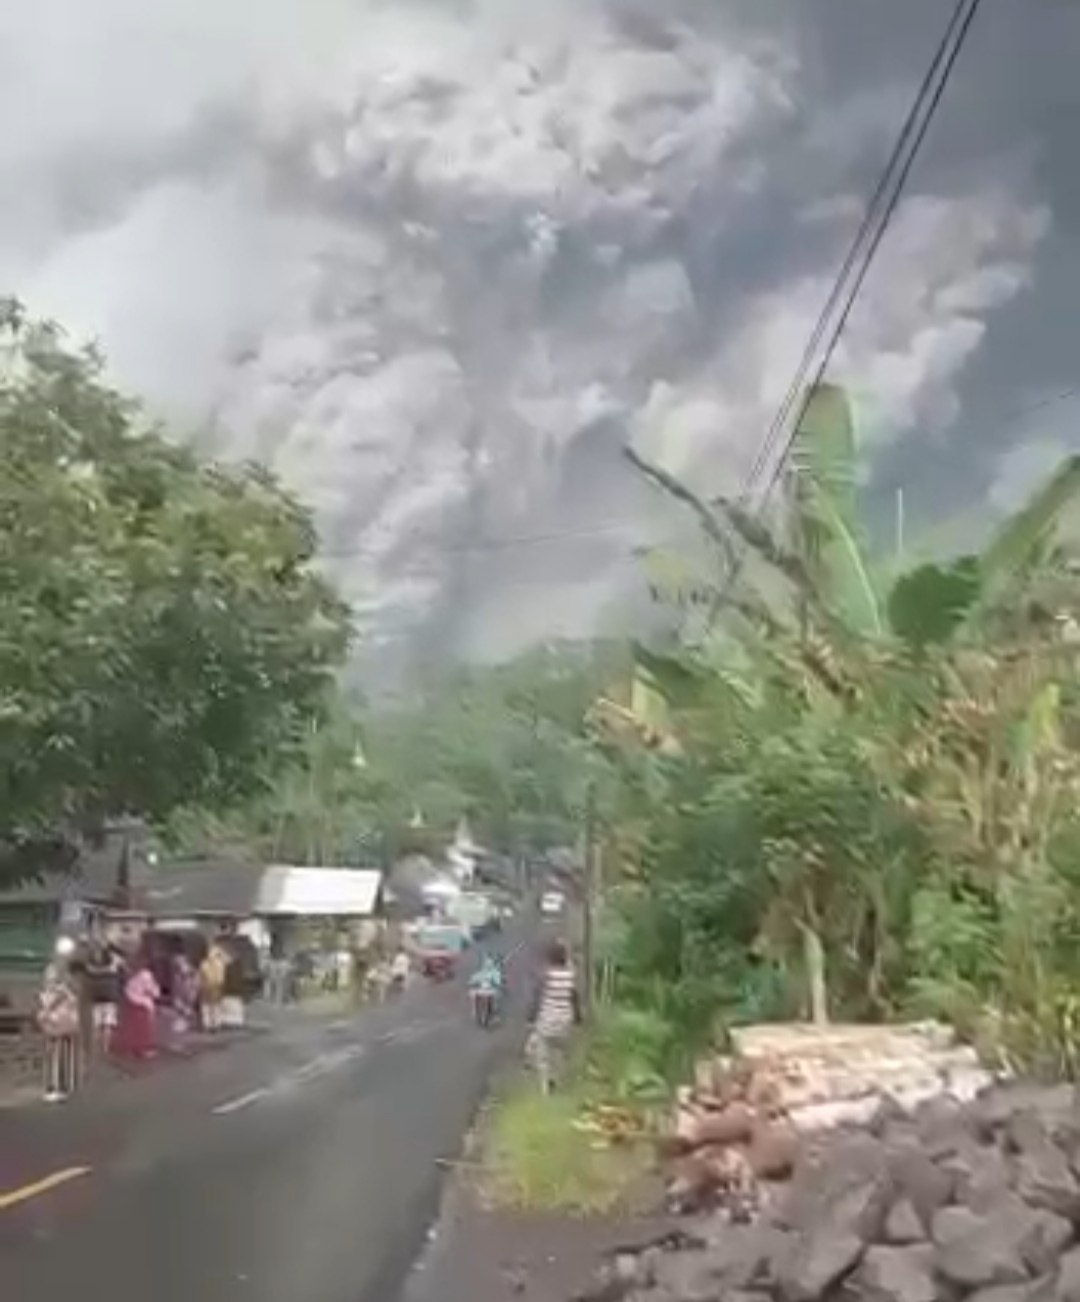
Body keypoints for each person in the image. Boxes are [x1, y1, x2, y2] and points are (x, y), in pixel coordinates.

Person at [527, 939, 580, 1093]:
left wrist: (531, 1017)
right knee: (562, 1052)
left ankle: (546, 1085)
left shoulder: (545, 975)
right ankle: (558, 1078)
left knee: (543, 1054)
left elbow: (537, 997)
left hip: (546, 1021)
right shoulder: (571, 975)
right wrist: (577, 1017)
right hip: (565, 1021)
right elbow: (574, 997)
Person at [38, 963, 81, 1102]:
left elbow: (46, 1008)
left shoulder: (55, 992)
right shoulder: (65, 991)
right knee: (61, 1055)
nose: (49, 978)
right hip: (63, 1025)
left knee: (56, 1056)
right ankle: (66, 1085)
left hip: (58, 1026)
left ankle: (58, 1087)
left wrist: (45, 1014)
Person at [116, 957, 160, 1060]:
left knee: (131, 1027)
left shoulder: (129, 972)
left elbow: (126, 987)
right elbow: (152, 989)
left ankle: (129, 1049)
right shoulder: (146, 974)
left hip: (129, 1000)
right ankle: (142, 1050)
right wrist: (156, 993)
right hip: (141, 1003)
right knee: (143, 1029)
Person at [199, 943, 227, 1032]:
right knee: (214, 1007)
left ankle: (208, 1024)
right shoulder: (219, 964)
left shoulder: (204, 964)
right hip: (214, 986)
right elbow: (221, 978)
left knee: (207, 1007)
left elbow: (200, 976)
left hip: (207, 986)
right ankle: (215, 1024)